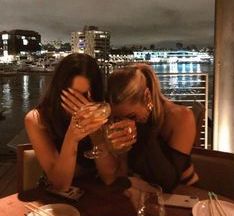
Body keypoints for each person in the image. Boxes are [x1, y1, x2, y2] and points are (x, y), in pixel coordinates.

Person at [105, 63, 199, 192]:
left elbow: (168, 182)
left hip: (182, 194)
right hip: (142, 192)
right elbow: (121, 173)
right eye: (118, 118)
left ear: (147, 97)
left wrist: (143, 128)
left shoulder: (181, 117)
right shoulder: (120, 124)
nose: (125, 123)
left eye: (131, 116)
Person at [25, 53, 109, 190]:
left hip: (97, 193)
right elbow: (60, 184)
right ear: (59, 91)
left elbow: (109, 176)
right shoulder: (37, 119)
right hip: (57, 199)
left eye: (86, 96)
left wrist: (95, 130)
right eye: (73, 96)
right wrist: (72, 136)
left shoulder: (102, 111)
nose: (81, 104)